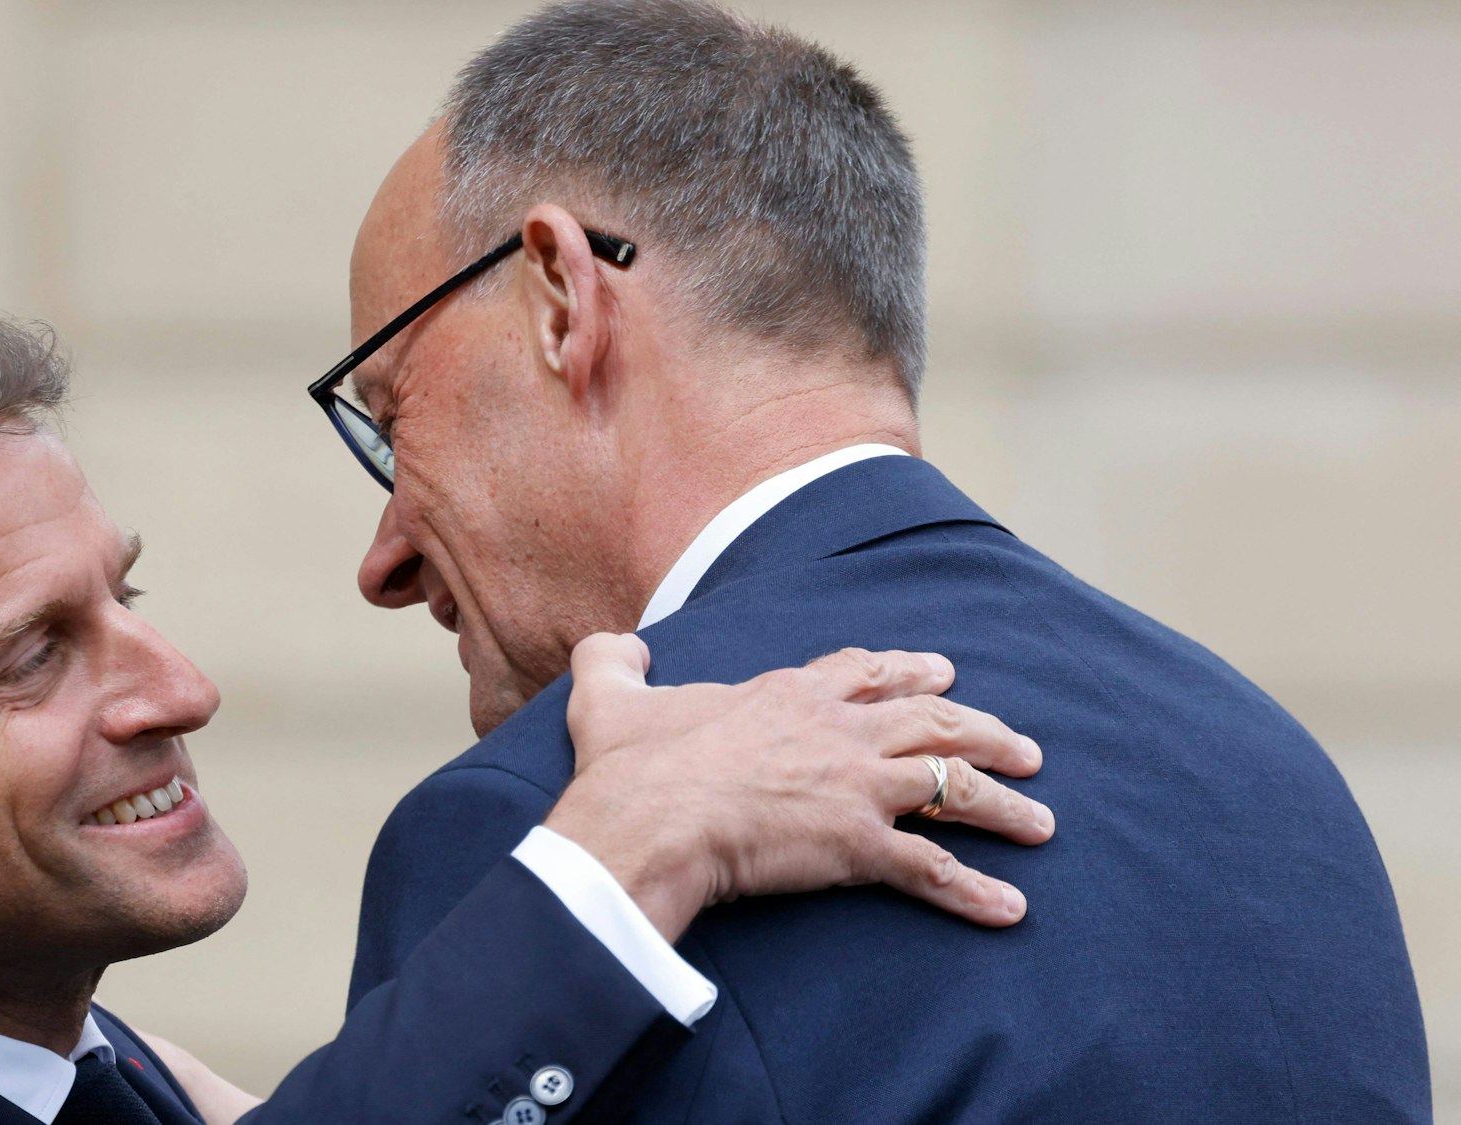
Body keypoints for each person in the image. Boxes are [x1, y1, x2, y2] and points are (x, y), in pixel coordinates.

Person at [0, 285, 1052, 1125]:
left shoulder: (76, 1068)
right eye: (32, 655)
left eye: (123, 595)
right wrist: (628, 854)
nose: (176, 688)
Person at [317, 1, 1432, 1120]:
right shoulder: (1271, 779)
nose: (386, 558)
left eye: (389, 408)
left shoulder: (565, 828)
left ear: (561, 296)